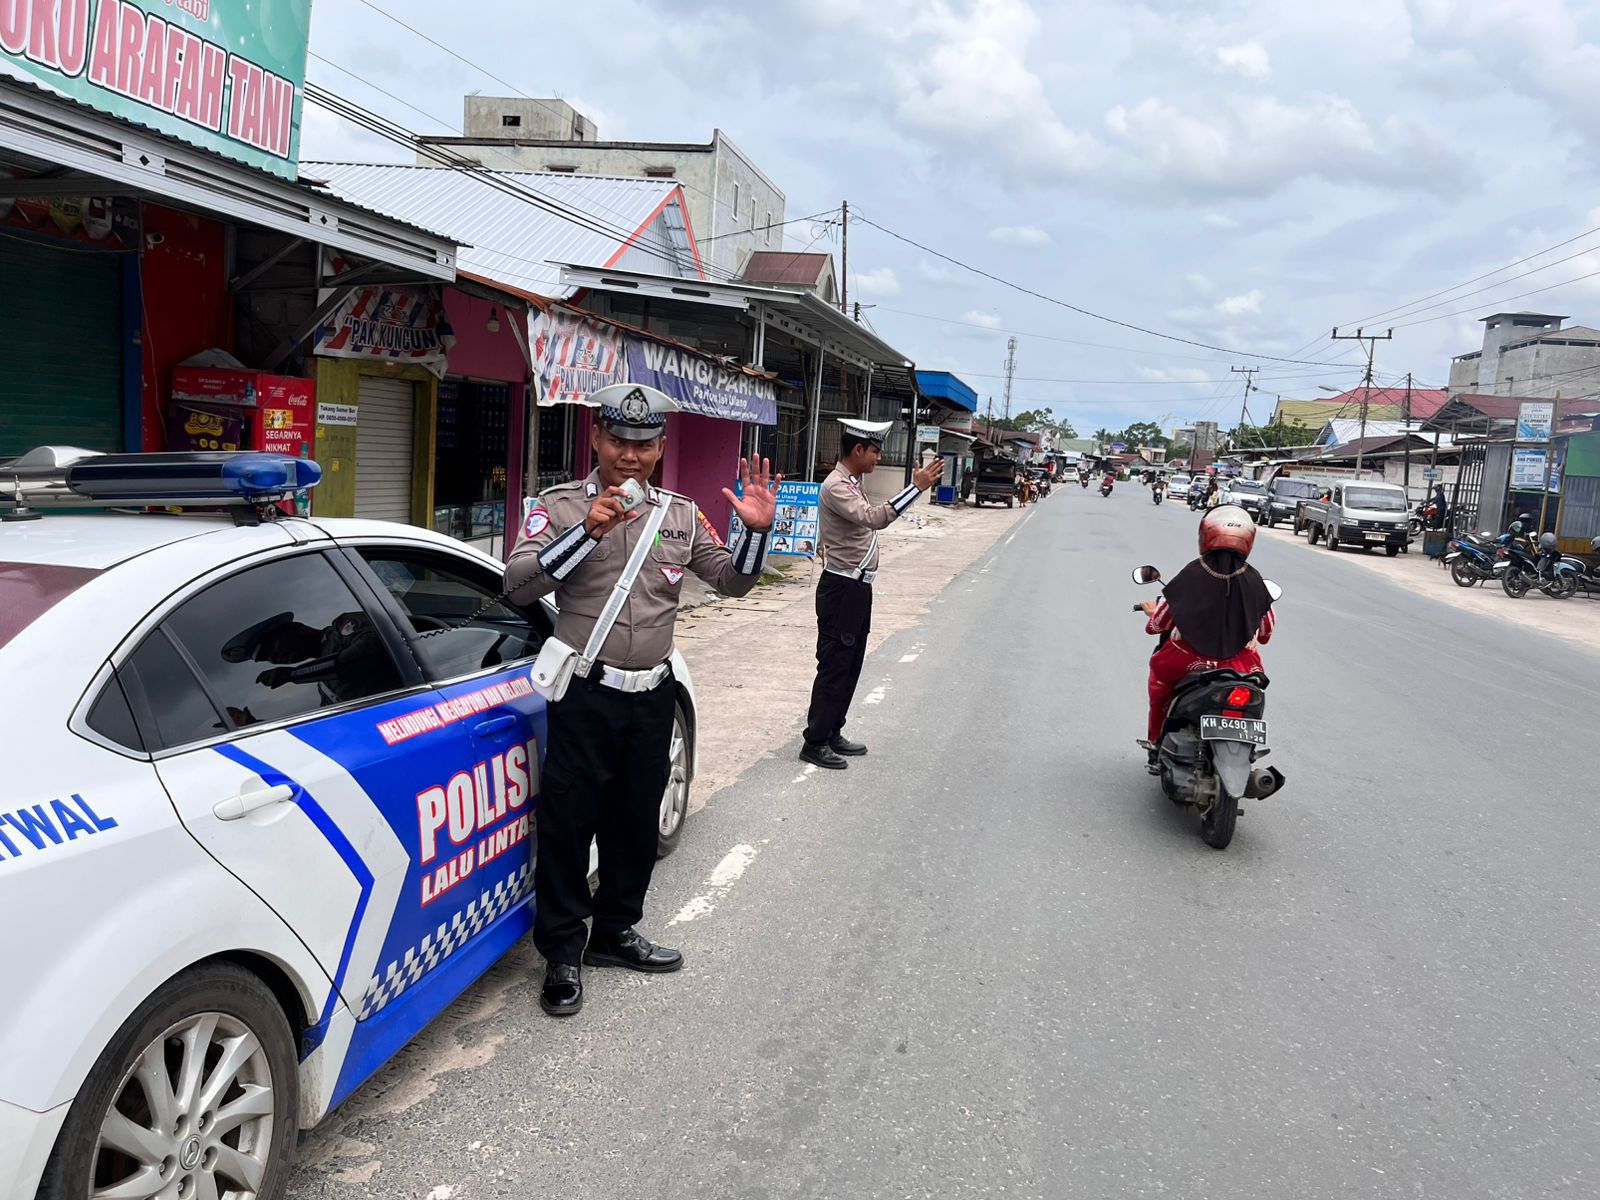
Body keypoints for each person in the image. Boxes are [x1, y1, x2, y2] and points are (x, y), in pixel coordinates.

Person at [505, 383, 778, 1017]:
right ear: (596, 439)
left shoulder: (680, 515)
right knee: (571, 829)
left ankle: (614, 932)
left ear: (660, 448)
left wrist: (756, 535)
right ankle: (564, 955)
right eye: (619, 441)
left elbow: (732, 582)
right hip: (584, 694)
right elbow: (517, 587)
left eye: (644, 444)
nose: (630, 455)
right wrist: (588, 534)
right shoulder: (559, 506)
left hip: (653, 693)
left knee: (634, 822)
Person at [801, 419, 944, 769]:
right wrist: (915, 488)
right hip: (841, 588)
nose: (879, 457)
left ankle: (833, 730)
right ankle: (815, 740)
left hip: (858, 587)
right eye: (875, 450)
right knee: (835, 665)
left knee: (851, 664)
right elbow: (874, 518)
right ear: (858, 450)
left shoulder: (852, 483)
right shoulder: (836, 486)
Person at [1139, 505, 1276, 771]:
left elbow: (1157, 626)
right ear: (1249, 540)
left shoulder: (1191, 574)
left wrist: (1152, 613)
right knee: (1251, 693)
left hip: (1186, 661)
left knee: (1159, 685)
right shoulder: (1255, 580)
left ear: (1205, 535)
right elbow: (1266, 633)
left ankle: (1156, 743)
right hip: (1241, 667)